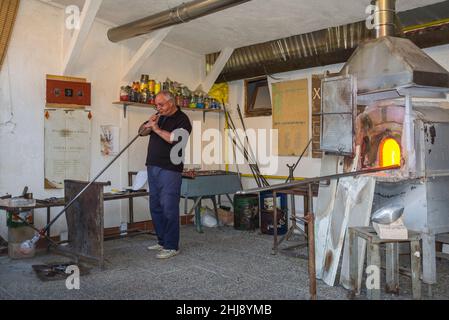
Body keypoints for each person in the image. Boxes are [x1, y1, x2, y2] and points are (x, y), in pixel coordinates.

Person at [139, 91, 192, 259]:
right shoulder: (158, 116)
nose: (158, 107)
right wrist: (149, 123)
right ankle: (161, 241)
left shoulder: (182, 120)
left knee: (169, 207)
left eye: (161, 104)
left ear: (171, 102)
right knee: (155, 206)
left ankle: (171, 246)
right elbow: (141, 132)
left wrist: (156, 128)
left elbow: (174, 139)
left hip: (170, 168)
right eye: (156, 105)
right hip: (152, 165)